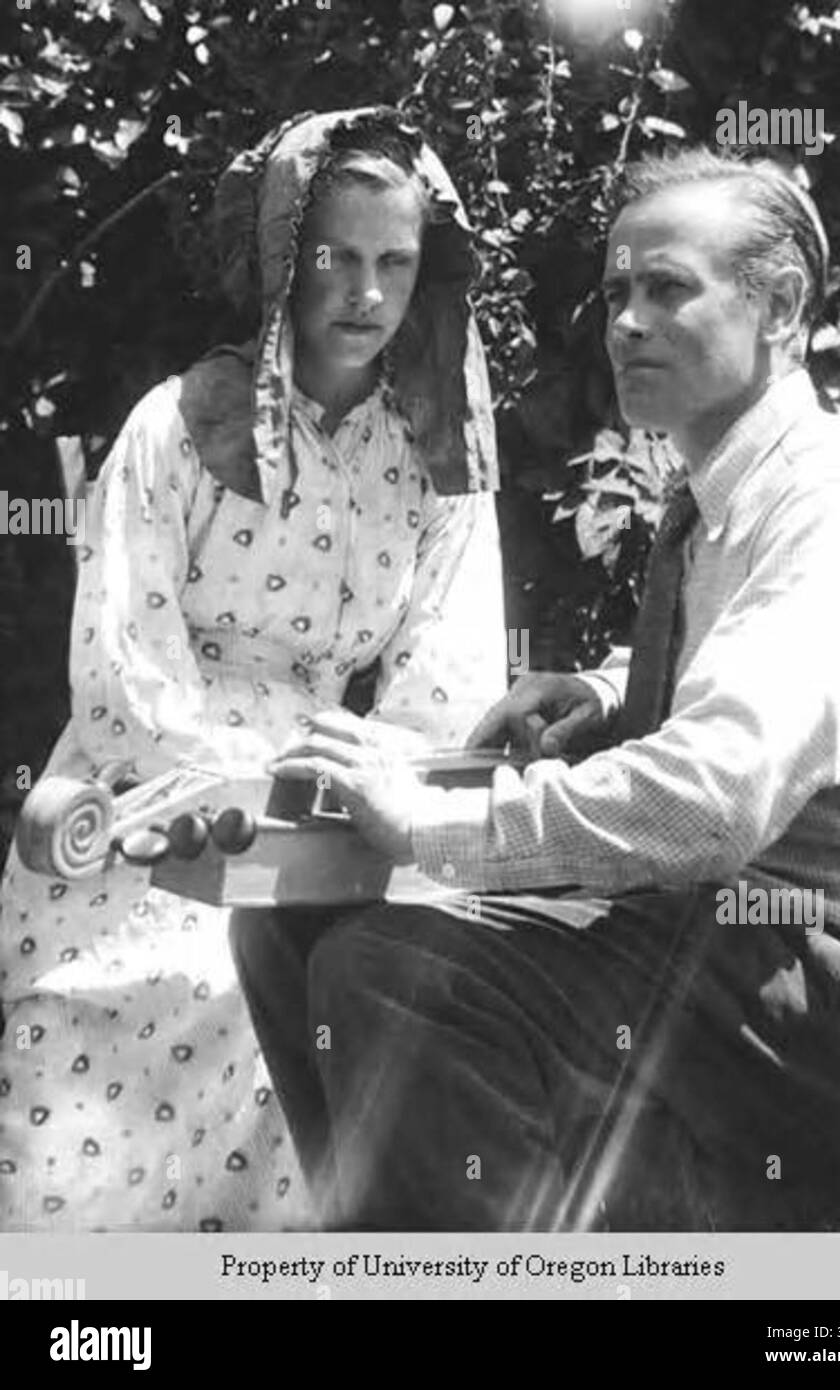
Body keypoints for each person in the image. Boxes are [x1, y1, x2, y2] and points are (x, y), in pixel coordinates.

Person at [231, 147, 840, 1232]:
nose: (624, 322)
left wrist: (438, 821)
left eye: (667, 288)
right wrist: (614, 694)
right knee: (284, 913)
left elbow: (712, 797)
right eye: (615, 292)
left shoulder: (828, 505)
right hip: (743, 948)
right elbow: (768, 680)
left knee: (400, 967)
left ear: (781, 307)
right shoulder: (731, 489)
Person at [0, 107, 507, 1232]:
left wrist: (379, 774)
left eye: (394, 263)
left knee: (332, 998)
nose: (366, 294)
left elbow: (449, 665)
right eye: (338, 257)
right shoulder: (175, 428)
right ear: (286, 255)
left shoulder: (432, 456)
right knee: (144, 995)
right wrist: (231, 773)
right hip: (158, 785)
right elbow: (124, 657)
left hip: (339, 789)